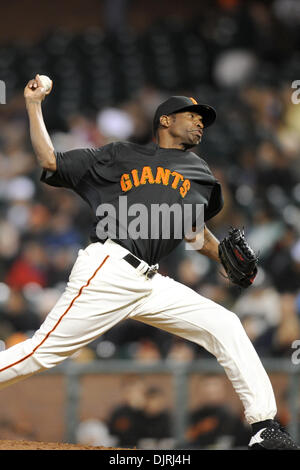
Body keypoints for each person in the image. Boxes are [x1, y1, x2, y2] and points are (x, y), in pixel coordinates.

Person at [0, 74, 298, 450]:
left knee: (225, 323)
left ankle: (264, 428)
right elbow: (48, 159)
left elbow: (192, 231)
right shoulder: (120, 155)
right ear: (166, 120)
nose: (200, 122)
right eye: (192, 116)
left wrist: (222, 255)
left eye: (203, 119)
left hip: (151, 282)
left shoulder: (200, 175)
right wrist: (34, 104)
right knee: (42, 354)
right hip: (108, 269)